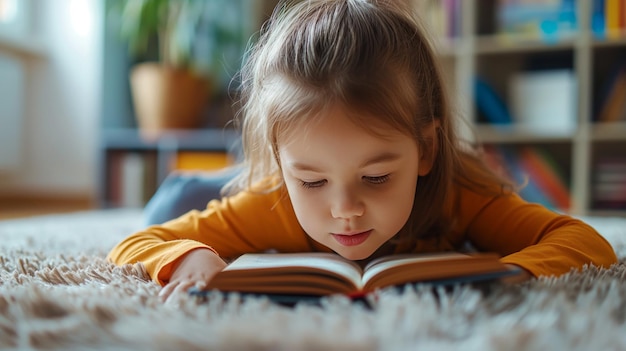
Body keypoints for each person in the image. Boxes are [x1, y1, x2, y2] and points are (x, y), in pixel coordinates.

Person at [107, 0, 617, 302]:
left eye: (375, 177)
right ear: (282, 161)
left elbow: (586, 244)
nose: (345, 210)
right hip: (223, 185)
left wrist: (517, 275)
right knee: (182, 197)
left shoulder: (461, 196)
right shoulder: (268, 203)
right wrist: (189, 254)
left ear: (425, 148)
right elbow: (134, 244)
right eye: (311, 181)